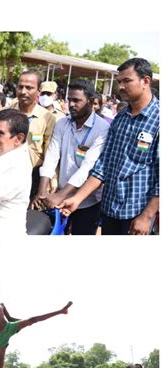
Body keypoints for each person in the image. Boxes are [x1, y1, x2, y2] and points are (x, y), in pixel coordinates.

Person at [59, 58, 159, 235]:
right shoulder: (120, 118)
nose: (120, 86)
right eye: (119, 81)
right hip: (109, 210)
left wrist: (147, 216)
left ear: (145, 81)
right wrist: (77, 199)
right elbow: (103, 166)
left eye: (126, 81)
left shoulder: (158, 120)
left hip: (137, 214)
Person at [31, 80, 110, 235]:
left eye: (77, 100)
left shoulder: (103, 129)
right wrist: (41, 192)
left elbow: (88, 168)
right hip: (59, 198)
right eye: (69, 100)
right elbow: (52, 156)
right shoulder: (62, 124)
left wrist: (60, 195)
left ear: (91, 101)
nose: (71, 104)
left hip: (87, 201)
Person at [8, 69, 57, 198]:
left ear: (38, 92)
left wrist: (50, 184)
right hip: (6, 171)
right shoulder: (6, 113)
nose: (23, 91)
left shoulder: (48, 118)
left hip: (32, 177)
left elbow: (50, 153)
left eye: (29, 88)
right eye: (20, 87)